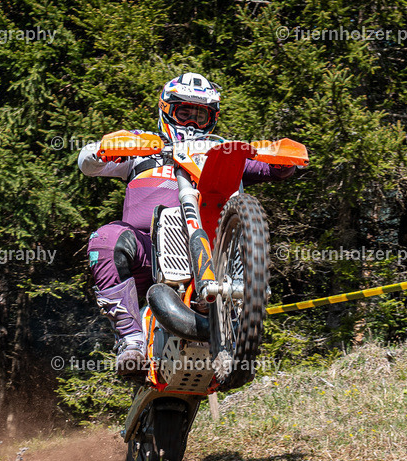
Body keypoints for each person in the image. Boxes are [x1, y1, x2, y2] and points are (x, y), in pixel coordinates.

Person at [78, 72, 295, 375]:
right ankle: (131, 341)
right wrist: (101, 148)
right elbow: (88, 163)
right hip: (149, 254)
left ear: (212, 119)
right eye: (184, 113)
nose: (192, 123)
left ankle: (239, 326)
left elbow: (271, 167)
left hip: (216, 251)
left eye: (200, 116)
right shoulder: (144, 147)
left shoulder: (222, 151)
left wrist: (285, 158)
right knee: (107, 239)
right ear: (167, 111)